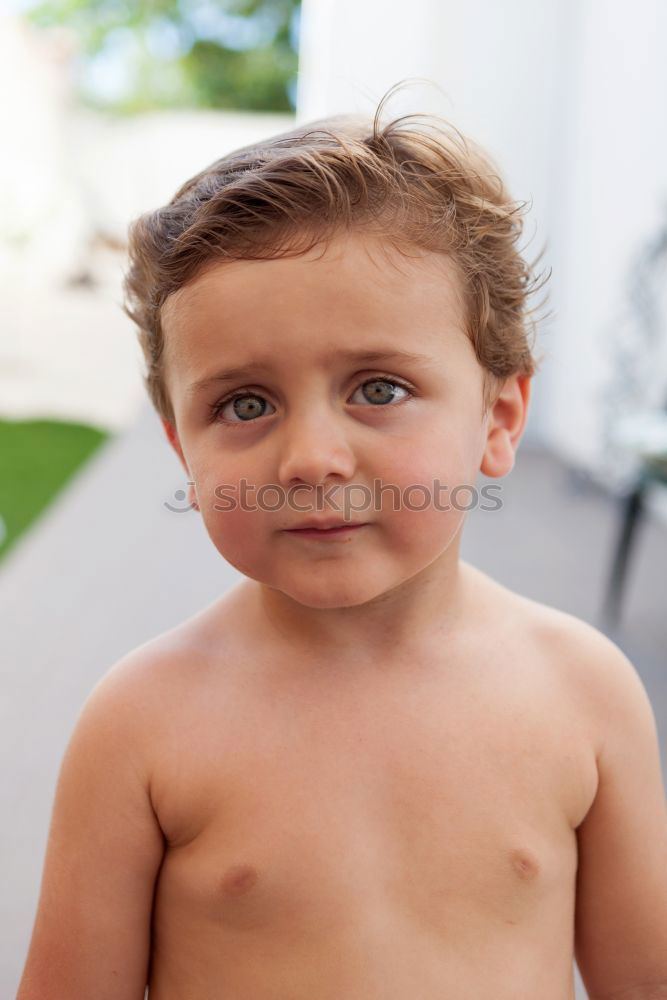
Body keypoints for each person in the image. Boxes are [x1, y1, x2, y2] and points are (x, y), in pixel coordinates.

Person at [17, 84, 667, 1000]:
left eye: (378, 388)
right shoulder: (143, 726)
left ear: (499, 414)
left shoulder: (582, 693)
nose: (311, 458)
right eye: (244, 404)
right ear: (181, 446)